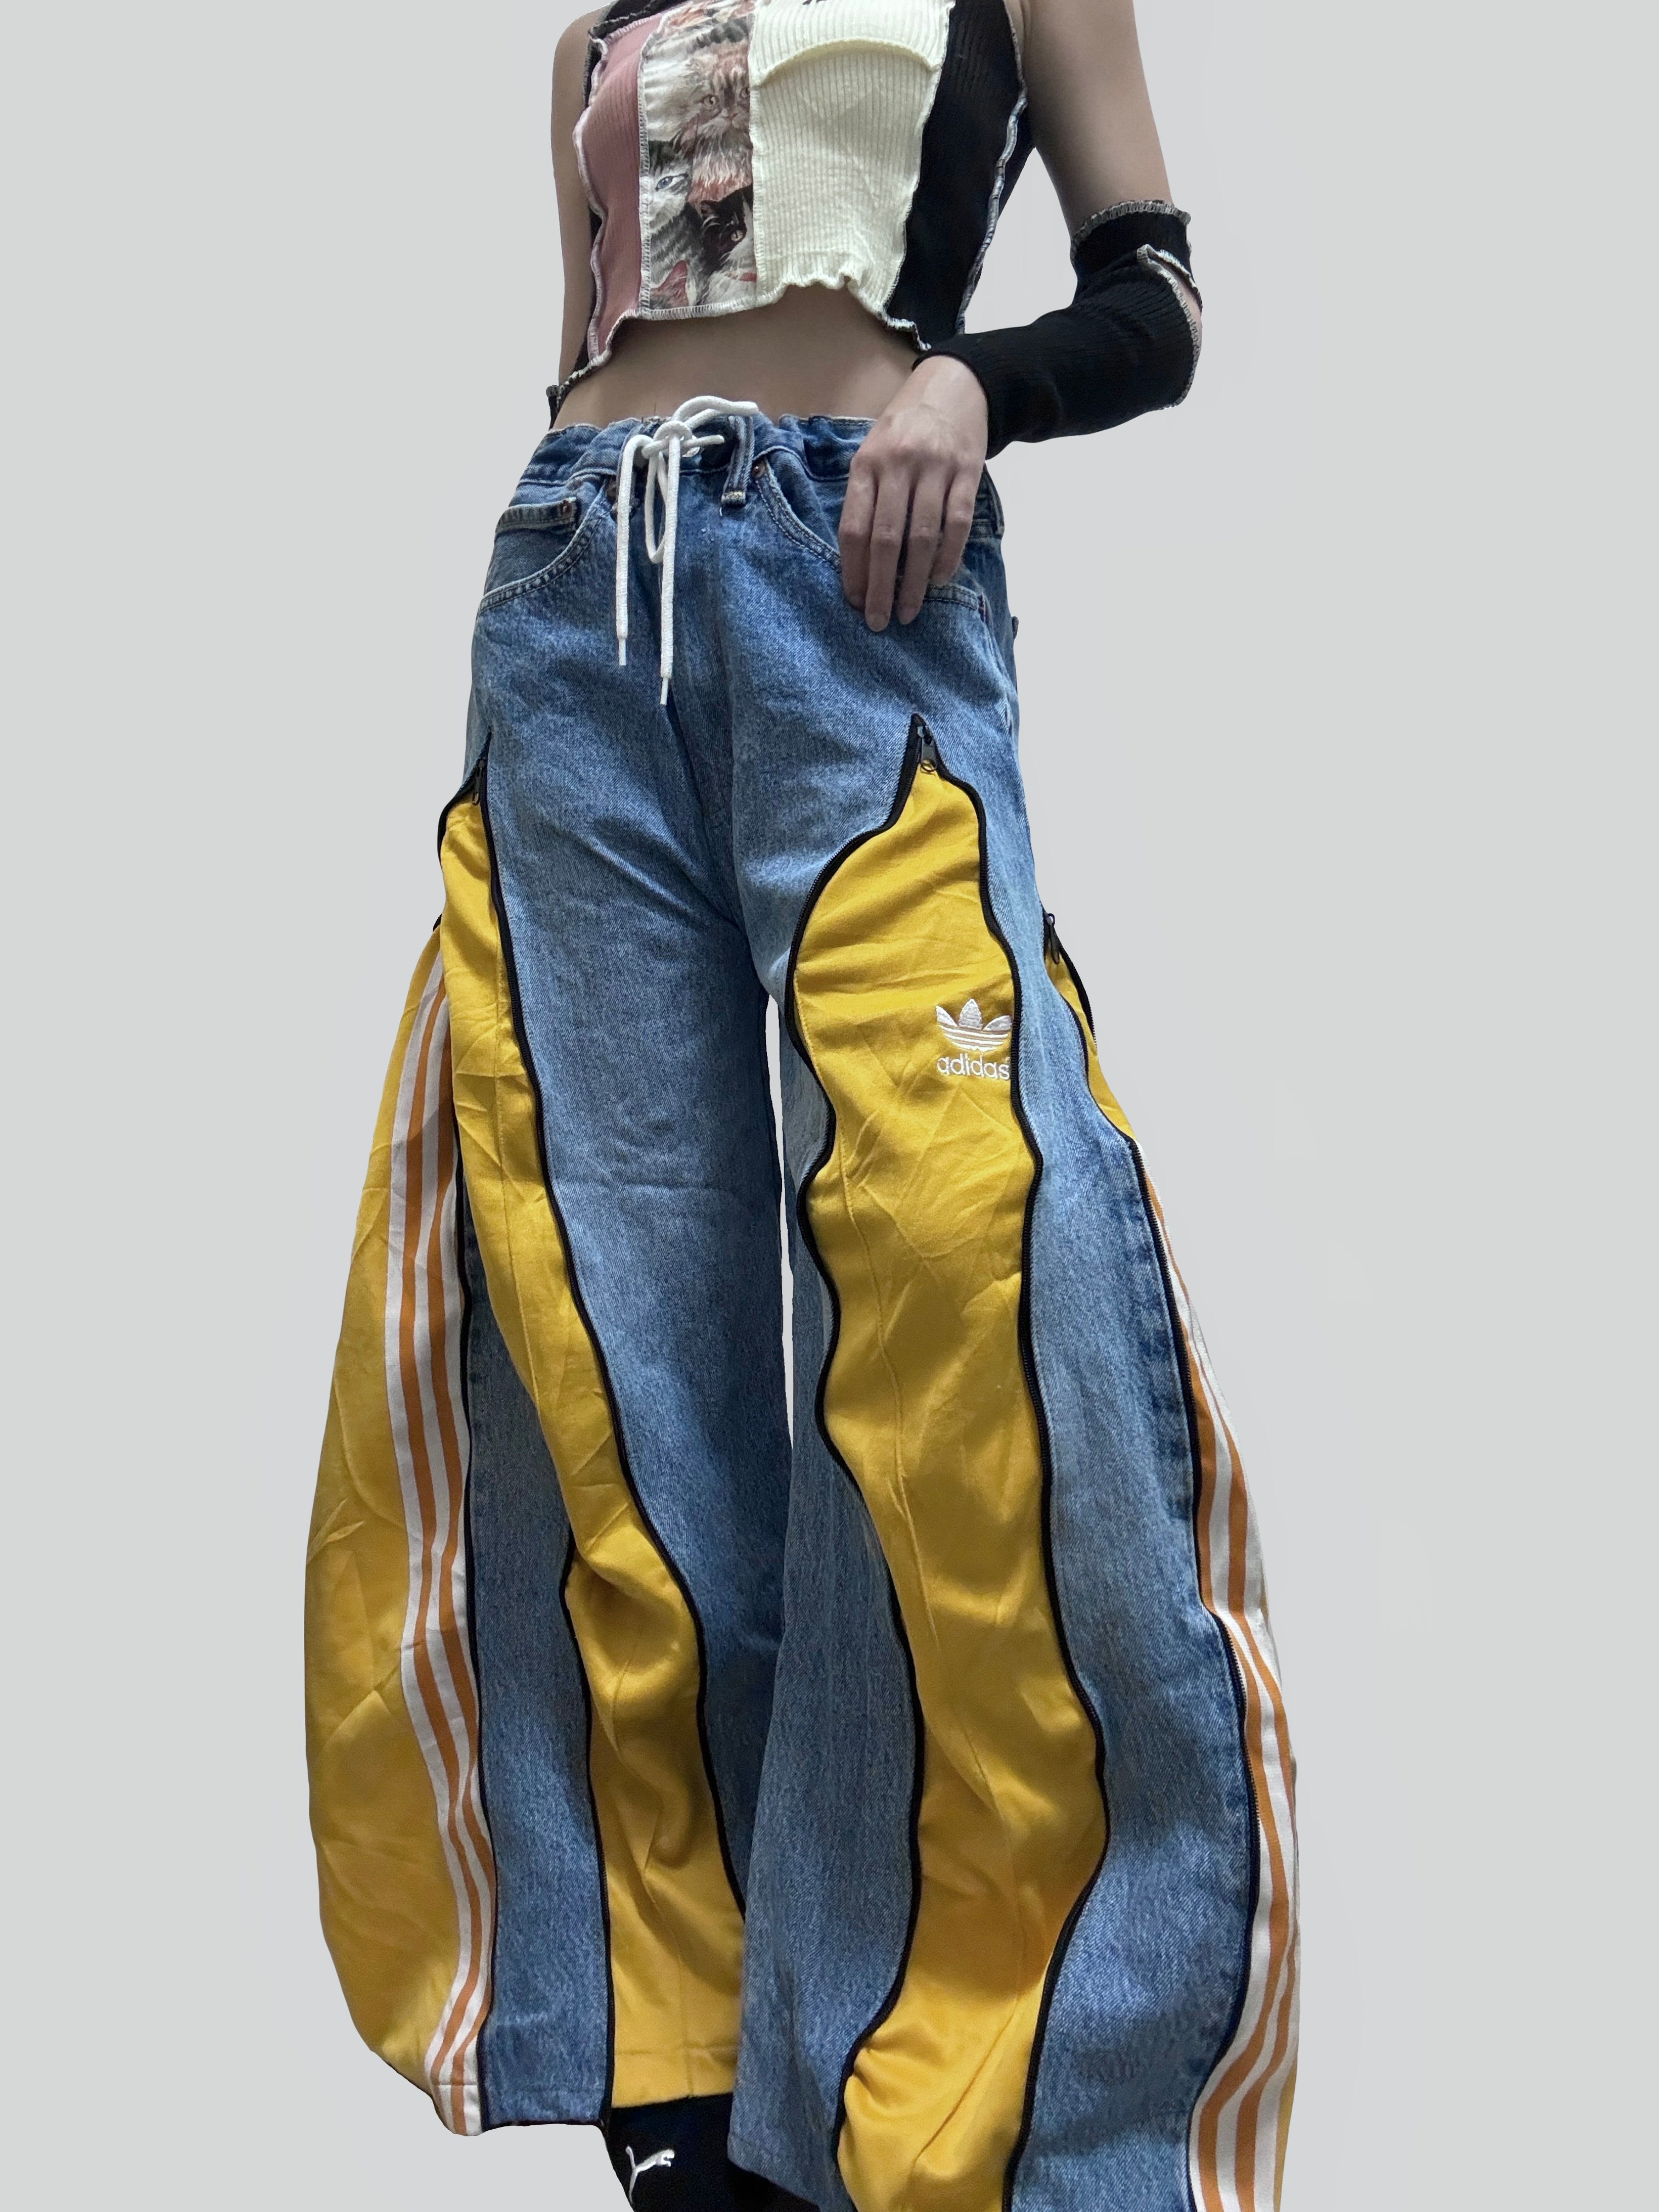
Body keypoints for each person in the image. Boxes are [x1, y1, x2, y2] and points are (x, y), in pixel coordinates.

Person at [303, 3, 1299, 2208]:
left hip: (864, 588)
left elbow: (1156, 298)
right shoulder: (603, 28)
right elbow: (591, 340)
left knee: (974, 1253)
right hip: (576, 594)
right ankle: (685, 2075)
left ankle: (1016, 2074)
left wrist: (977, 385)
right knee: (607, 1324)